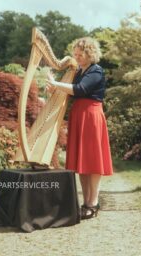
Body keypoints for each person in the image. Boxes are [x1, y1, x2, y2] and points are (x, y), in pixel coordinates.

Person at [46, 37, 113, 219]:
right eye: (75, 54)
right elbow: (70, 89)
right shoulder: (79, 71)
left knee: (93, 160)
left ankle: (94, 202)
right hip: (79, 115)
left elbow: (80, 89)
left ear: (90, 53)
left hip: (91, 116)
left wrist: (56, 84)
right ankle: (86, 202)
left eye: (80, 54)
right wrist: (54, 89)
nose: (76, 57)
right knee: (82, 162)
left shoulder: (96, 71)